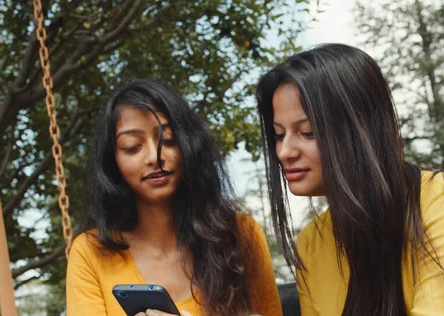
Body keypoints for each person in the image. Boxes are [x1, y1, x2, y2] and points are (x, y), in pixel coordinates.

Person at [255, 43, 444, 315]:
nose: (284, 151)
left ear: (359, 131)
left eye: (307, 132)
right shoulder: (312, 243)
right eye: (279, 135)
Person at [66, 79, 282, 316]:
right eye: (132, 146)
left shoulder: (241, 234)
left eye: (168, 140)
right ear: (112, 162)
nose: (154, 157)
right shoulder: (90, 252)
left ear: (189, 146)